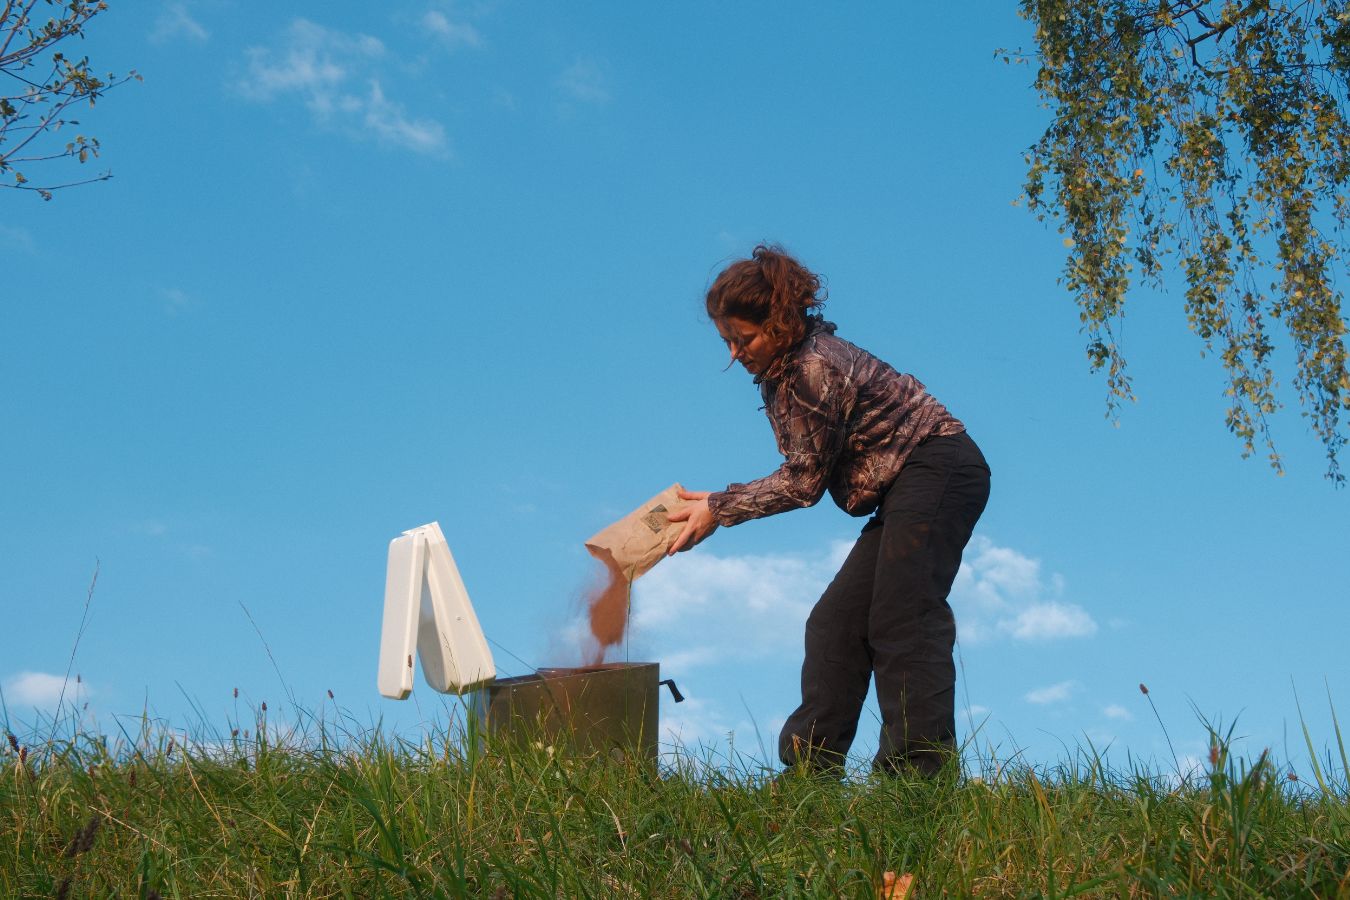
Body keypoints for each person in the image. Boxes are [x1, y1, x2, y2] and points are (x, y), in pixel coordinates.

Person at [667, 245, 991, 777]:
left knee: (903, 616)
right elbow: (804, 467)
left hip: (940, 468)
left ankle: (918, 780)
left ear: (778, 321)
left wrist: (720, 511)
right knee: (833, 625)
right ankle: (809, 778)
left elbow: (803, 483)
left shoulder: (814, 367)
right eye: (726, 340)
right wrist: (716, 501)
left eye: (742, 338)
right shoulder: (785, 371)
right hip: (904, 485)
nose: (733, 353)